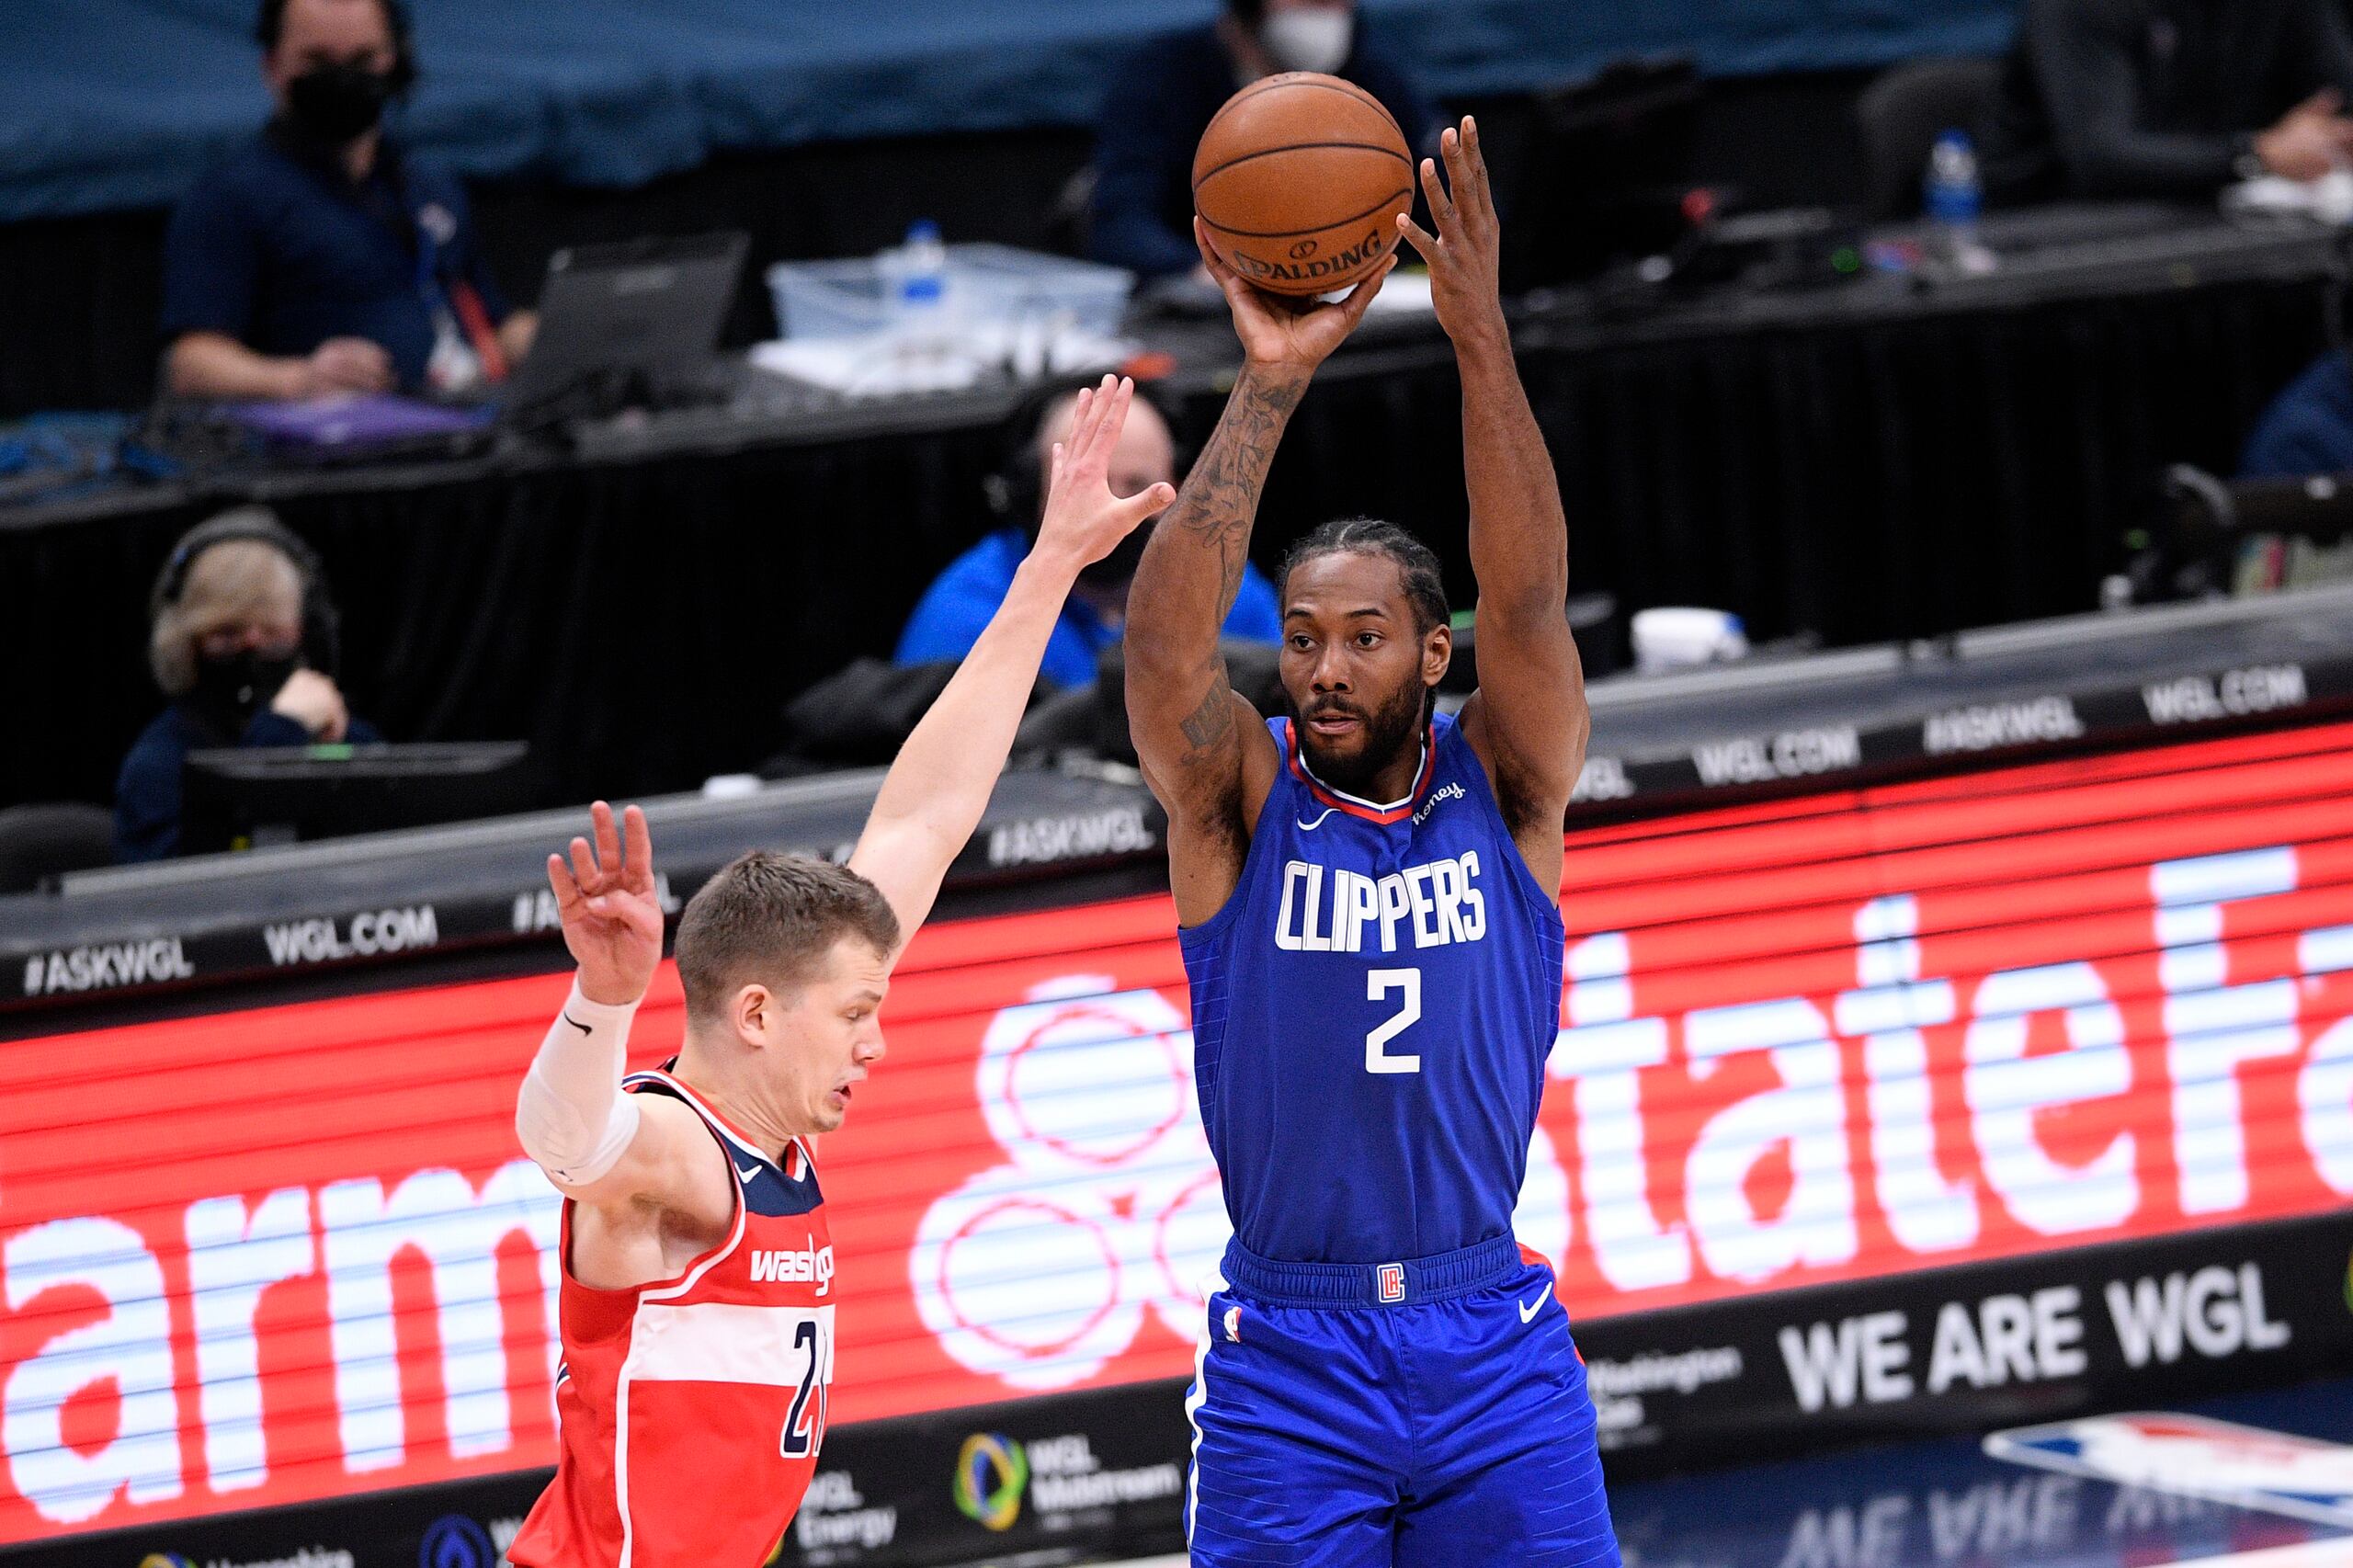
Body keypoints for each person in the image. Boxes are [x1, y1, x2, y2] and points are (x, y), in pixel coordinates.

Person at [506, 379, 1174, 1568]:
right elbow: (565, 1143)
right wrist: (604, 998)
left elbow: (927, 811)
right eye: (857, 1013)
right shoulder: (681, 1155)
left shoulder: (764, 1135)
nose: (879, 1038)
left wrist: (1053, 564)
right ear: (755, 1011)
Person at [1123, 120, 1616, 1565]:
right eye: (1300, 639)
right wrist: (1270, 386)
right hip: (1292, 1352)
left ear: (1432, 652)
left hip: (1494, 1344)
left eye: (1363, 637)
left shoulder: (1509, 780)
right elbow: (1160, 658)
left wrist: (1478, 338)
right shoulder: (1242, 801)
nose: (1324, 668)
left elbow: (1531, 601)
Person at [160, 0, 536, 401]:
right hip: (342, 444)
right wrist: (298, 379)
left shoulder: (426, 182)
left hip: (468, 421)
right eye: (317, 60)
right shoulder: (232, 196)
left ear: (393, 61)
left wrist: (574, 336)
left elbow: (497, 325)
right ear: (272, 67)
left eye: (362, 58)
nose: (343, 78)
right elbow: (191, 363)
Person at [894, 386, 1281, 687]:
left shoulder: (1224, 587)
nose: (1110, 509)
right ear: (1031, 494)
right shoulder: (968, 619)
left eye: (1138, 486)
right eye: (1086, 486)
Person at [1090, 0, 1442, 280]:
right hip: (1217, 314)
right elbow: (1120, 223)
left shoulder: (1376, 75)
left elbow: (1444, 201)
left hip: (1357, 304)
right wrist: (1212, 274)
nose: (1327, 11)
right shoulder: (1161, 77)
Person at [115, 508, 379, 862]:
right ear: (185, 643)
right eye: (228, 635)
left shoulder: (348, 741)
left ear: (306, 635)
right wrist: (281, 733)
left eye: (272, 634)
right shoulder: (159, 765)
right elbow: (178, 897)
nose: (253, 651)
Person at [1982, 0, 2353, 203]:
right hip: (2053, 227)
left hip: (2211, 210)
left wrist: (2332, 136)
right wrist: (2258, 154)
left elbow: (2340, 96)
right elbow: (2101, 158)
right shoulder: (2079, 8)